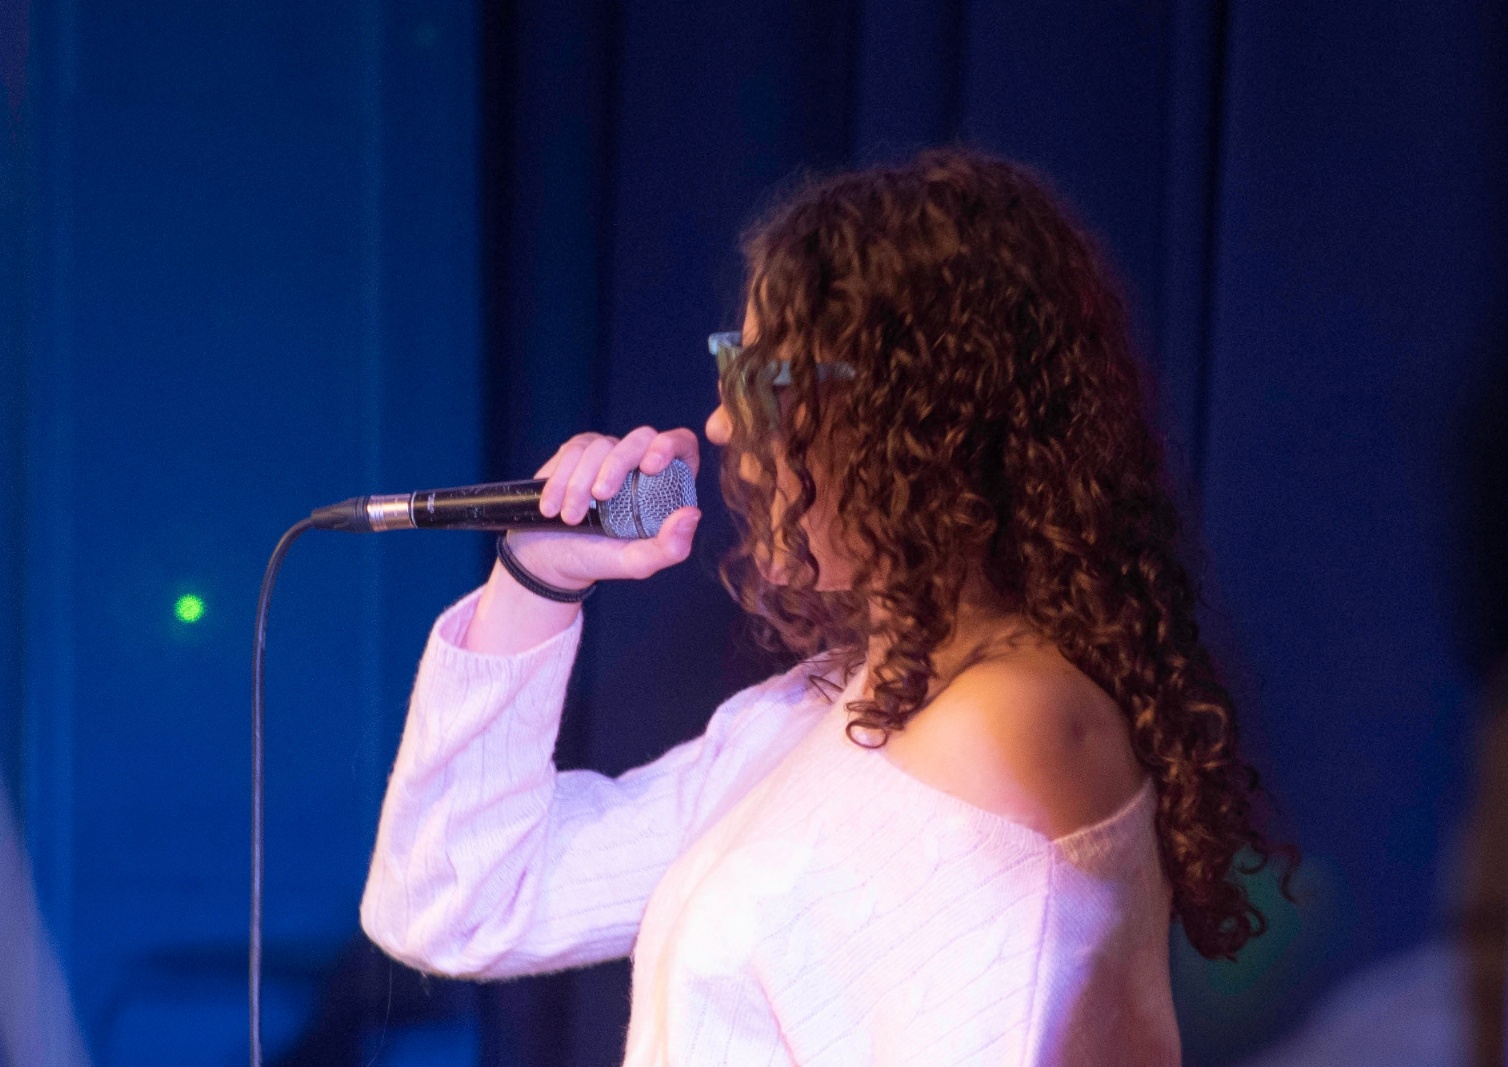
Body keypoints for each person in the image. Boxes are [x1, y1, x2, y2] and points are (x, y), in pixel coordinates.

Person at [360, 146, 1292, 1064]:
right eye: (736, 365)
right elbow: (452, 900)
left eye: (768, 379)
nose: (723, 421)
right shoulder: (827, 710)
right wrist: (538, 576)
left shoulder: (1005, 726)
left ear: (925, 414)